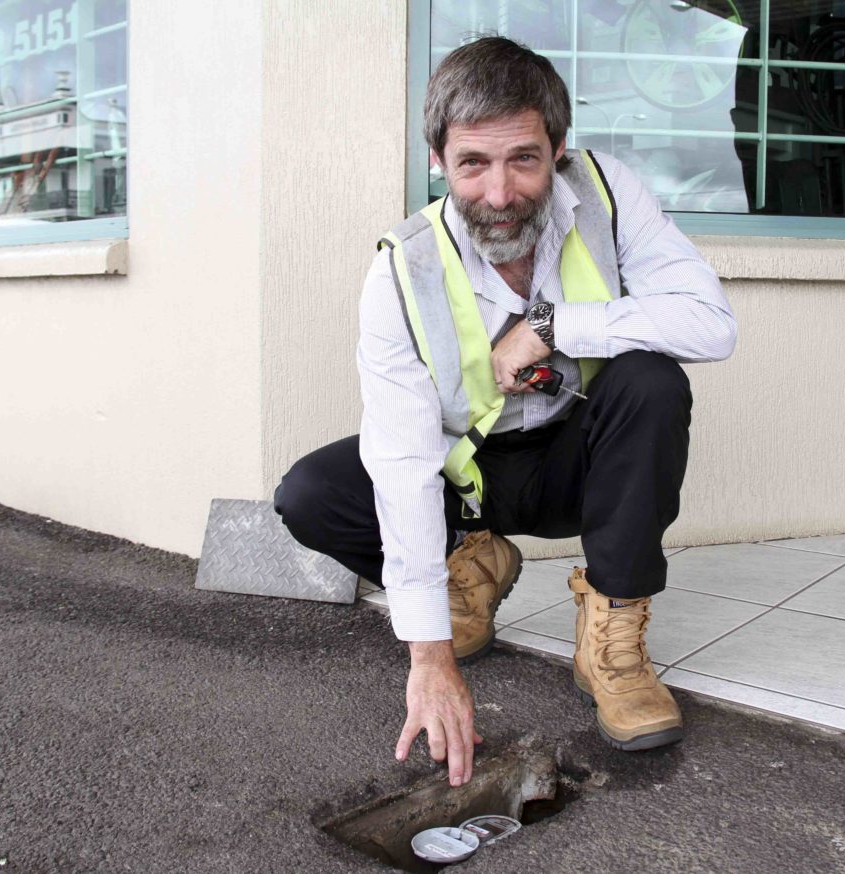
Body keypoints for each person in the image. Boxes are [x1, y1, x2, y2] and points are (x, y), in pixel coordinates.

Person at [274, 36, 736, 788]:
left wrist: (553, 325)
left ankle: (612, 637)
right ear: (438, 159)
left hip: (578, 465)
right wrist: (429, 657)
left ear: (558, 148)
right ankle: (473, 568)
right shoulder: (401, 270)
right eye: (472, 164)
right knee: (310, 493)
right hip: (474, 476)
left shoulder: (609, 195)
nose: (499, 193)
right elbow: (401, 461)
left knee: (650, 381)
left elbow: (710, 325)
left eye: (523, 158)